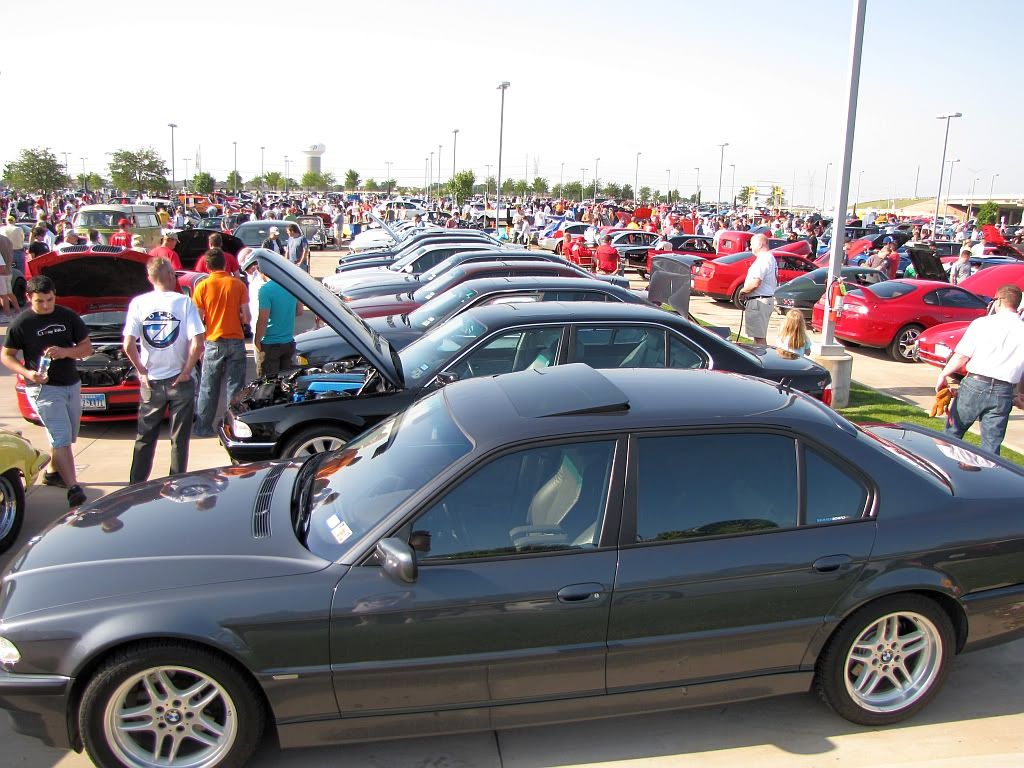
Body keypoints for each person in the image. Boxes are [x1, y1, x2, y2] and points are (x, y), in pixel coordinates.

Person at [1, 275, 91, 506]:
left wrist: (65, 352)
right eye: (40, 301)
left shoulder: (67, 316)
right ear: (29, 297)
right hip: (42, 389)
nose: (45, 305)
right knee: (61, 437)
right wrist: (27, 373)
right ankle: (74, 488)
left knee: (67, 436)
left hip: (71, 383)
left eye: (49, 300)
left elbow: (86, 348)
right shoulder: (22, 323)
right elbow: (7, 355)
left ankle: (52, 472)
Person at [122, 256, 206, 483]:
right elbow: (198, 342)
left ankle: (136, 484)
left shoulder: (138, 303)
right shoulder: (184, 303)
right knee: (179, 439)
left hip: (152, 380)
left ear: (149, 278)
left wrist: (141, 370)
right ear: (171, 275)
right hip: (180, 379)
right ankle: (176, 483)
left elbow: (128, 345)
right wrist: (187, 370)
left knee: (145, 437)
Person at [935, 284, 1024, 455]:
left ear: (998, 301)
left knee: (952, 434)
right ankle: (986, 479)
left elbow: (962, 355)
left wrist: (944, 374)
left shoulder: (983, 324)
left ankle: (942, 474)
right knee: (991, 446)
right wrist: (1020, 393)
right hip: (1004, 391)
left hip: (975, 384)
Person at [192, 248, 250, 437]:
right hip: (235, 340)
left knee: (208, 387)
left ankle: (203, 427)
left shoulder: (202, 287)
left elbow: (198, 320)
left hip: (213, 340)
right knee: (235, 387)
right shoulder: (238, 284)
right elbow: (247, 317)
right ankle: (232, 427)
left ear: (207, 266)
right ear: (224, 264)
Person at [253, 262, 302, 377]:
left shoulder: (265, 290)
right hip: (288, 342)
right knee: (285, 383)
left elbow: (263, 319)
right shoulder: (291, 286)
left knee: (267, 385)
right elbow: (299, 311)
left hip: (270, 344)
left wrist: (257, 340)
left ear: (261, 272)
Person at [738, 233, 778, 345]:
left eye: (751, 244)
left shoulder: (764, 258)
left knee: (759, 339)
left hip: (759, 302)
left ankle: (762, 361)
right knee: (759, 336)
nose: (750, 247)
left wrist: (743, 291)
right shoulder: (769, 258)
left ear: (760, 244)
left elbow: (756, 282)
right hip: (762, 301)